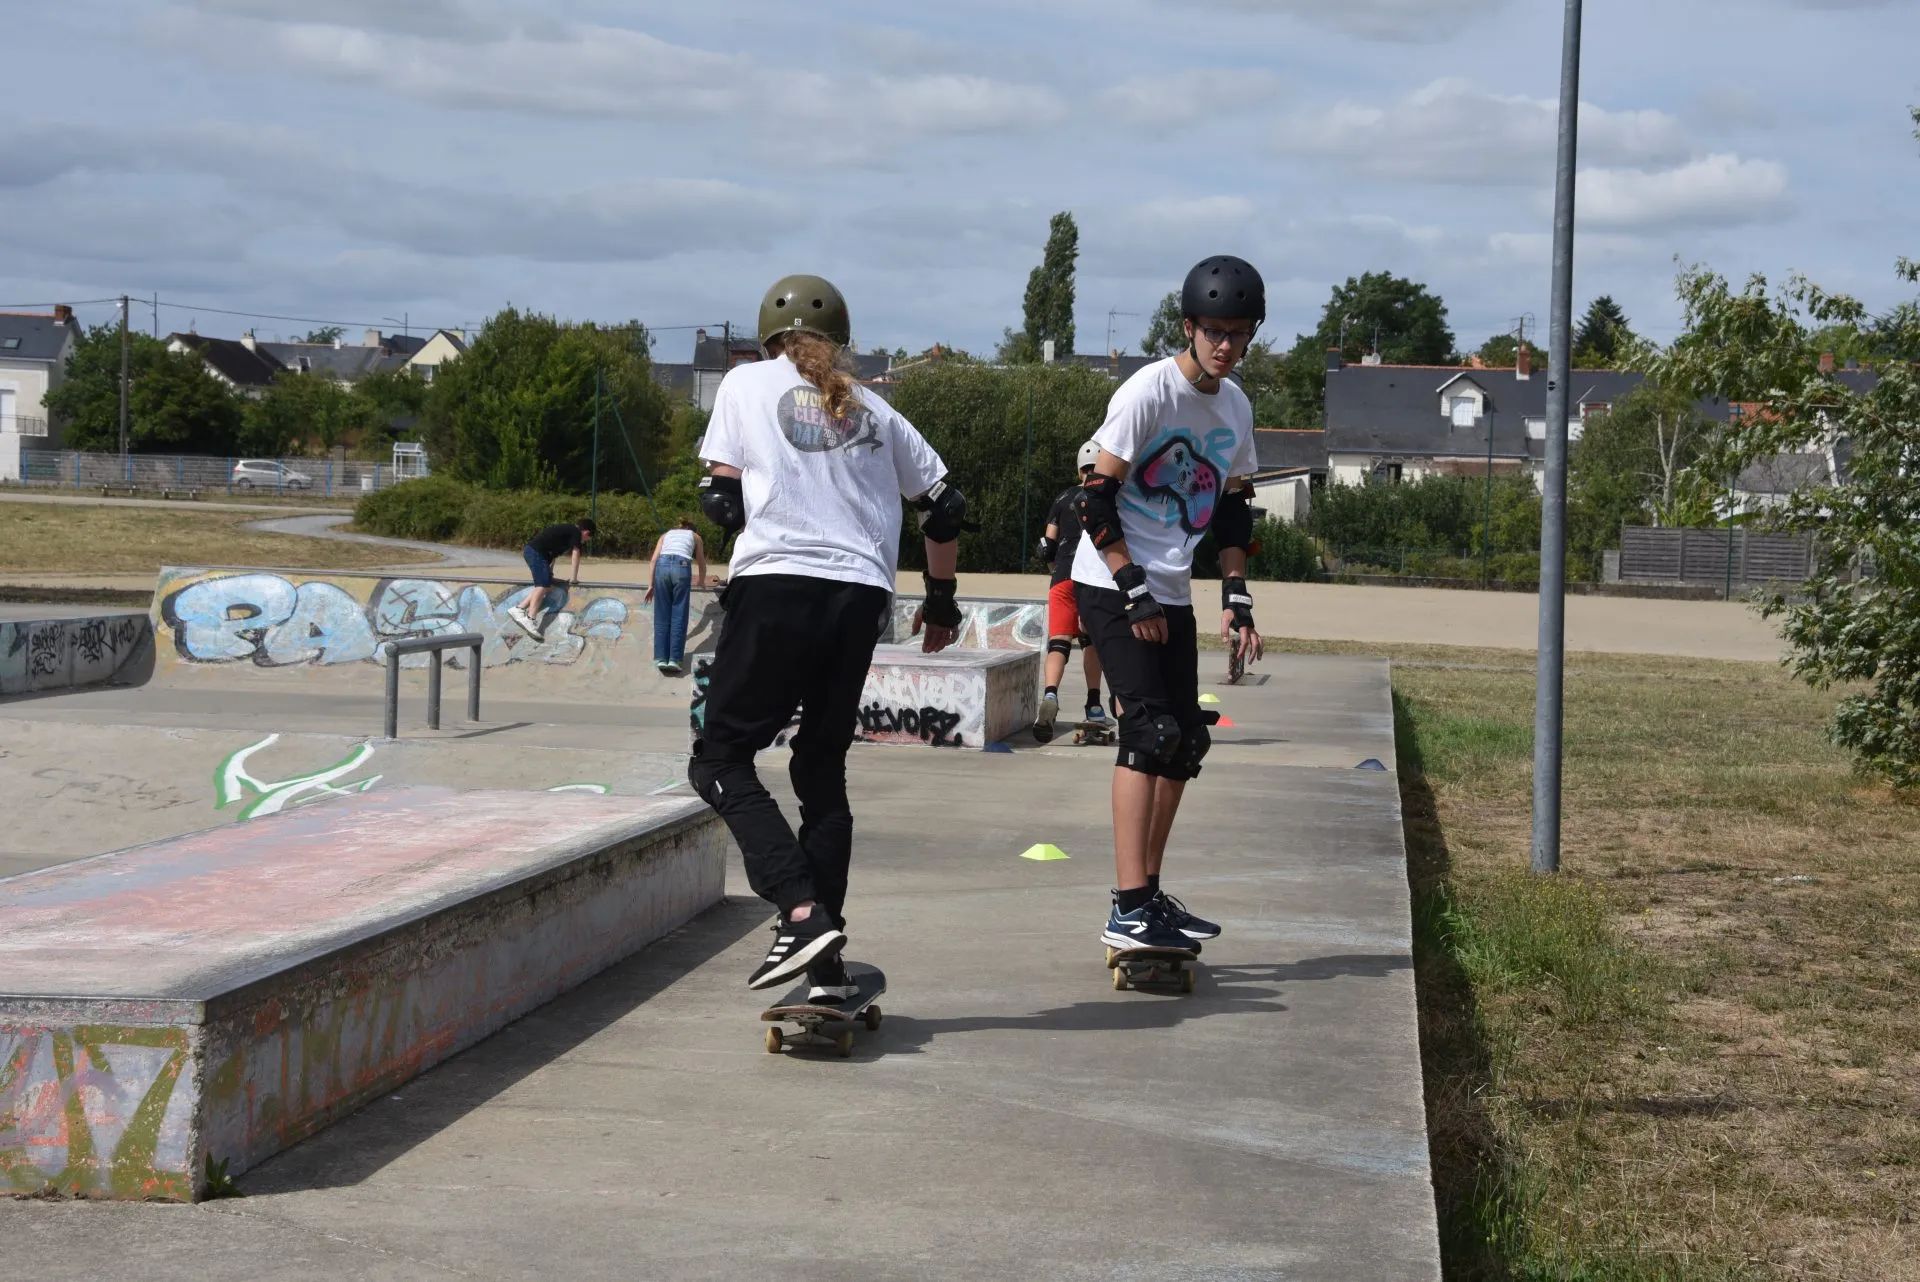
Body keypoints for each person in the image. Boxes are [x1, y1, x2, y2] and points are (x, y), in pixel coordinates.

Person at [688, 273, 969, 997]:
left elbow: (720, 496)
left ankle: (803, 913)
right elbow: (946, 507)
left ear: (768, 338)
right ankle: (825, 962)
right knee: (819, 771)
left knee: (719, 762)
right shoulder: (876, 406)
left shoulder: (745, 385)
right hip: (860, 600)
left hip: (779, 587)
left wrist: (750, 516)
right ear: (839, 343)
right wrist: (941, 604)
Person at [1070, 255, 1267, 956]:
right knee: (1148, 732)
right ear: (1188, 327)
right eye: (1212, 330)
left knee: (1186, 741)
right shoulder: (1146, 393)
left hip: (1173, 585)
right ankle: (1126, 907)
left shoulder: (1236, 406)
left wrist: (1237, 600)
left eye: (1237, 334)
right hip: (1112, 579)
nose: (1223, 345)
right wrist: (1132, 588)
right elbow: (1093, 498)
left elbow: (1234, 514)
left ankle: (1148, 895)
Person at [1032, 440, 1110, 743]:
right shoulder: (1107, 496)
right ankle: (1093, 704)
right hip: (1092, 580)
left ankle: (1050, 694)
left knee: (1058, 643)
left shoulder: (1064, 497)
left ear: (1079, 469)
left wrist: (1054, 567)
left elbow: (1047, 545)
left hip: (1062, 578)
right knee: (1091, 642)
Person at [509, 517, 596, 640]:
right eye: (586, 540)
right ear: (586, 533)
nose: (584, 542)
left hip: (536, 553)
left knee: (547, 584)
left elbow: (553, 555)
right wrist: (574, 578)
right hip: (536, 552)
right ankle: (530, 618)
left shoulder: (567, 534)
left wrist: (550, 574)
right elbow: (576, 554)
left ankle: (519, 608)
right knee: (543, 585)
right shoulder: (576, 532)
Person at [645, 518, 708, 676]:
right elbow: (701, 561)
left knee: (662, 615)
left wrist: (650, 585)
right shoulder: (695, 536)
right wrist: (700, 581)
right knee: (679, 613)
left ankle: (661, 658)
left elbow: (653, 560)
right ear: (692, 529)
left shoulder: (665, 535)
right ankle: (674, 659)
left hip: (662, 567)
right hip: (682, 566)